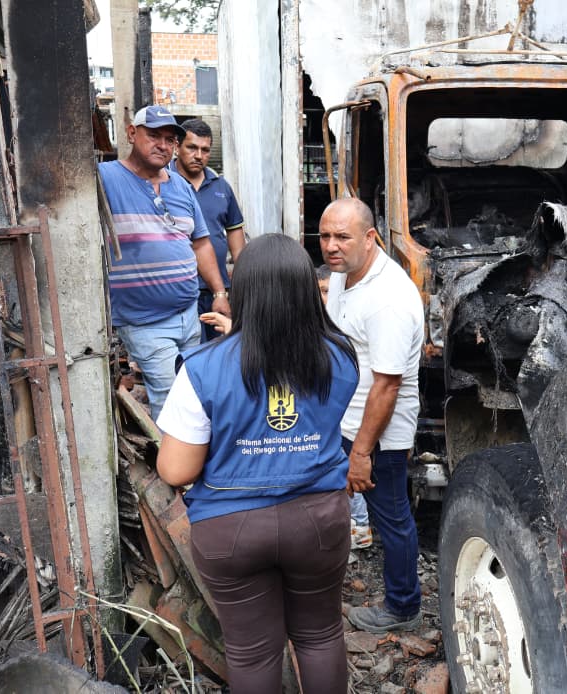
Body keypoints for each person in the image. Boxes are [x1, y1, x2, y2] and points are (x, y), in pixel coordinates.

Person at [155, 233, 358, 692]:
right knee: (321, 635)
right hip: (319, 521)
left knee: (253, 652)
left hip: (231, 529)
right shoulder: (340, 356)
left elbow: (175, 471)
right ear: (308, 289)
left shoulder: (203, 368)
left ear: (242, 292)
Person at [319, 198, 424, 633]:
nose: (330, 246)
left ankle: (403, 607)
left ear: (370, 237)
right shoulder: (347, 273)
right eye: (324, 236)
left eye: (341, 236)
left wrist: (361, 452)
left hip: (376, 432)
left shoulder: (389, 300)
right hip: (344, 420)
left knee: (392, 517)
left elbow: (387, 385)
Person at [100, 105, 229, 421]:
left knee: (191, 389)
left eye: (170, 139)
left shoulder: (180, 186)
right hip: (145, 320)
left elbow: (200, 243)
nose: (163, 145)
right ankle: (172, 469)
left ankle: (185, 461)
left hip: (188, 314)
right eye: (154, 135)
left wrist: (220, 292)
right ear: (132, 133)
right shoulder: (105, 179)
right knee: (171, 399)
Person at [171, 118, 246, 342]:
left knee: (220, 351)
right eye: (192, 148)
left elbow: (235, 235)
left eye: (205, 150)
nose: (198, 155)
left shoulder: (221, 187)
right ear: (177, 147)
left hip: (218, 291)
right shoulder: (164, 183)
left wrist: (240, 285)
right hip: (180, 289)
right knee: (189, 354)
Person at [317, 263, 373, 551]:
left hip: (352, 409)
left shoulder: (345, 323)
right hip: (336, 410)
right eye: (319, 293)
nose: (323, 299)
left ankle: (360, 525)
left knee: (345, 465)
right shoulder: (323, 325)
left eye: (327, 291)